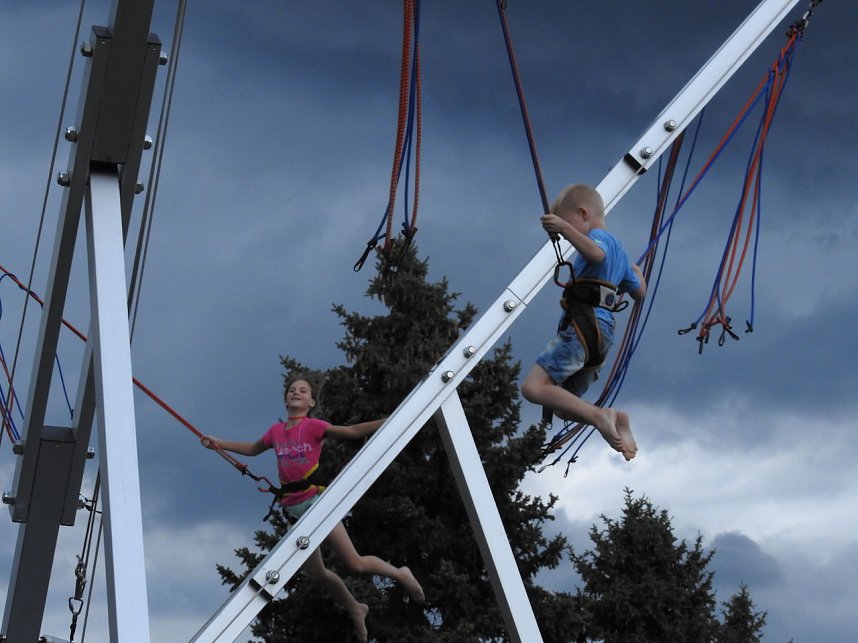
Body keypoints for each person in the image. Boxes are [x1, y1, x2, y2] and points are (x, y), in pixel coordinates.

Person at [202, 376, 424, 642]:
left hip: (316, 505)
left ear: (311, 402)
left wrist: (394, 420)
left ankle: (400, 573)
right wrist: (218, 444)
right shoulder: (275, 431)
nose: (296, 392)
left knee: (355, 563)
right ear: (286, 399)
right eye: (292, 390)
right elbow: (251, 449)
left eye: (302, 391)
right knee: (317, 573)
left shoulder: (314, 426)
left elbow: (352, 431)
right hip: (293, 510)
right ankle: (355, 606)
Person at [521, 184, 646, 461]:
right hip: (602, 334)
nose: (568, 231)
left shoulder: (600, 239)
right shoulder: (622, 256)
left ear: (583, 213)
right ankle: (617, 417)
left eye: (569, 221)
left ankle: (601, 416)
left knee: (533, 388)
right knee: (564, 405)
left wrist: (565, 230)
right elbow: (639, 293)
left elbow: (595, 254)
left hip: (583, 326)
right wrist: (637, 272)